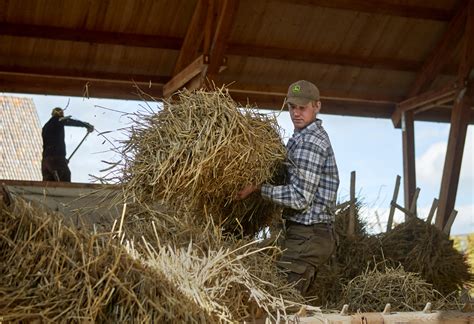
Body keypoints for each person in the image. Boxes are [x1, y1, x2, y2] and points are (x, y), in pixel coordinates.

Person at [236, 80, 339, 296]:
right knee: (288, 305)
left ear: (317, 106)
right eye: (292, 107)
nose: (296, 113)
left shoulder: (310, 142)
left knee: (280, 302)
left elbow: (300, 198)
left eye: (303, 108)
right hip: (305, 235)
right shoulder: (299, 138)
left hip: (309, 235)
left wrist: (258, 188)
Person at [41, 107, 94, 182]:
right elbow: (68, 121)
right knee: (65, 178)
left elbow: (51, 143)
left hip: (45, 161)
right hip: (56, 158)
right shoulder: (58, 120)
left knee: (48, 187)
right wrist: (86, 125)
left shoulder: (45, 127)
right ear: (60, 114)